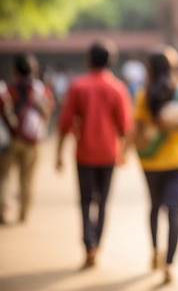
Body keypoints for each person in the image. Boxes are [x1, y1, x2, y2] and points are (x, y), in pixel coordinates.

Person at [56, 40, 134, 268]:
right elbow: (125, 127)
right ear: (111, 61)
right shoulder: (118, 88)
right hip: (108, 153)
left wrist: (58, 153)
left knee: (84, 201)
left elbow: (65, 122)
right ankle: (96, 244)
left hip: (84, 154)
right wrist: (123, 153)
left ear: (88, 60)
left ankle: (88, 243)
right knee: (103, 202)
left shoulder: (78, 86)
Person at [133, 45, 178, 284]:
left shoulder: (143, 94)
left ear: (150, 69)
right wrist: (172, 125)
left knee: (154, 207)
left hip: (150, 161)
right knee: (173, 210)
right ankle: (169, 264)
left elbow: (138, 133)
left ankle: (155, 252)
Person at [0, 53, 54, 225]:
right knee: (27, 179)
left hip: (9, 140)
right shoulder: (41, 90)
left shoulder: (7, 90)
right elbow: (48, 112)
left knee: (4, 177)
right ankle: (24, 213)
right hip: (32, 141)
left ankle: (2, 210)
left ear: (15, 70)